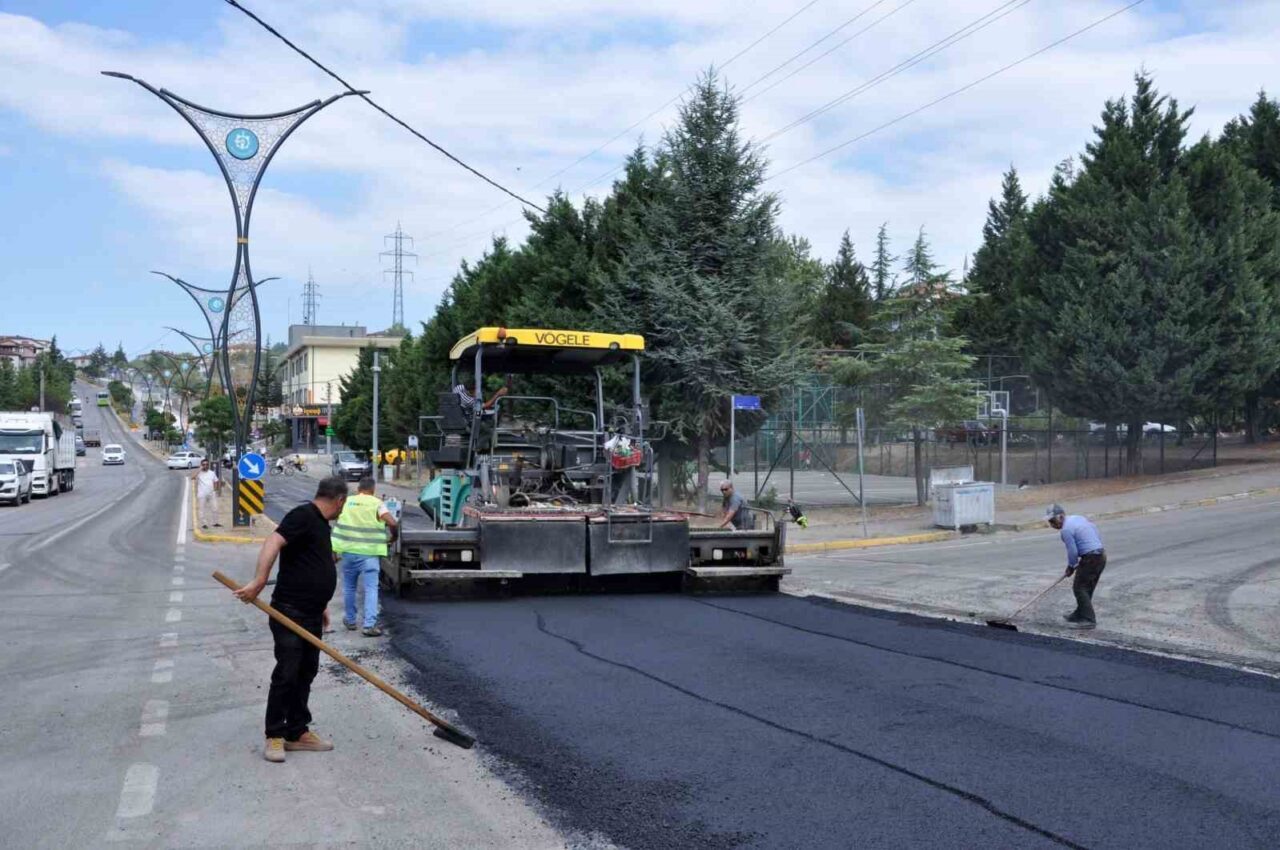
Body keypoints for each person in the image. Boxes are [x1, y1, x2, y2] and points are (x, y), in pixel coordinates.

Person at [233, 476, 349, 763]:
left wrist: (321, 604)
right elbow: (273, 541)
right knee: (287, 672)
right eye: (343, 506)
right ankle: (274, 735)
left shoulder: (320, 524)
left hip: (310, 613)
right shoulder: (303, 515)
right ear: (340, 501)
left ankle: (297, 732)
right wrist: (259, 581)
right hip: (288, 612)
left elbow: (310, 564)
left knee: (306, 671)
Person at [332, 476, 398, 637]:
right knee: (371, 589)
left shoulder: (346, 502)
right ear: (373, 489)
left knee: (349, 587)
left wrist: (334, 551)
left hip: (348, 553)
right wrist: (393, 538)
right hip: (369, 555)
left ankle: (350, 620)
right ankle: (369, 625)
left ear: (358, 489)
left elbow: (335, 523)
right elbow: (393, 523)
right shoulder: (376, 503)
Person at [1045, 504, 1106, 630]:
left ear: (1061, 516)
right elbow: (1094, 529)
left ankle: (1088, 619)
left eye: (1053, 521)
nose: (1052, 525)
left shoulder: (1066, 530)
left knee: (1079, 588)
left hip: (1091, 558)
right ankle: (1080, 613)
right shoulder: (1077, 518)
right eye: (1050, 522)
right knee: (1087, 587)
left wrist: (1071, 566)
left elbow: (1072, 551)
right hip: (1100, 555)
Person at [191, 457, 222, 529]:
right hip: (202, 494)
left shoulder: (211, 473)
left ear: (208, 465)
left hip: (211, 493)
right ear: (201, 465)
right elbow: (192, 477)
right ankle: (203, 524)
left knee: (215, 508)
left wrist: (215, 490)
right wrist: (199, 469)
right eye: (203, 464)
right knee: (202, 509)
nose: (205, 466)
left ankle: (215, 522)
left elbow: (216, 481)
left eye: (207, 464)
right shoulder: (199, 473)